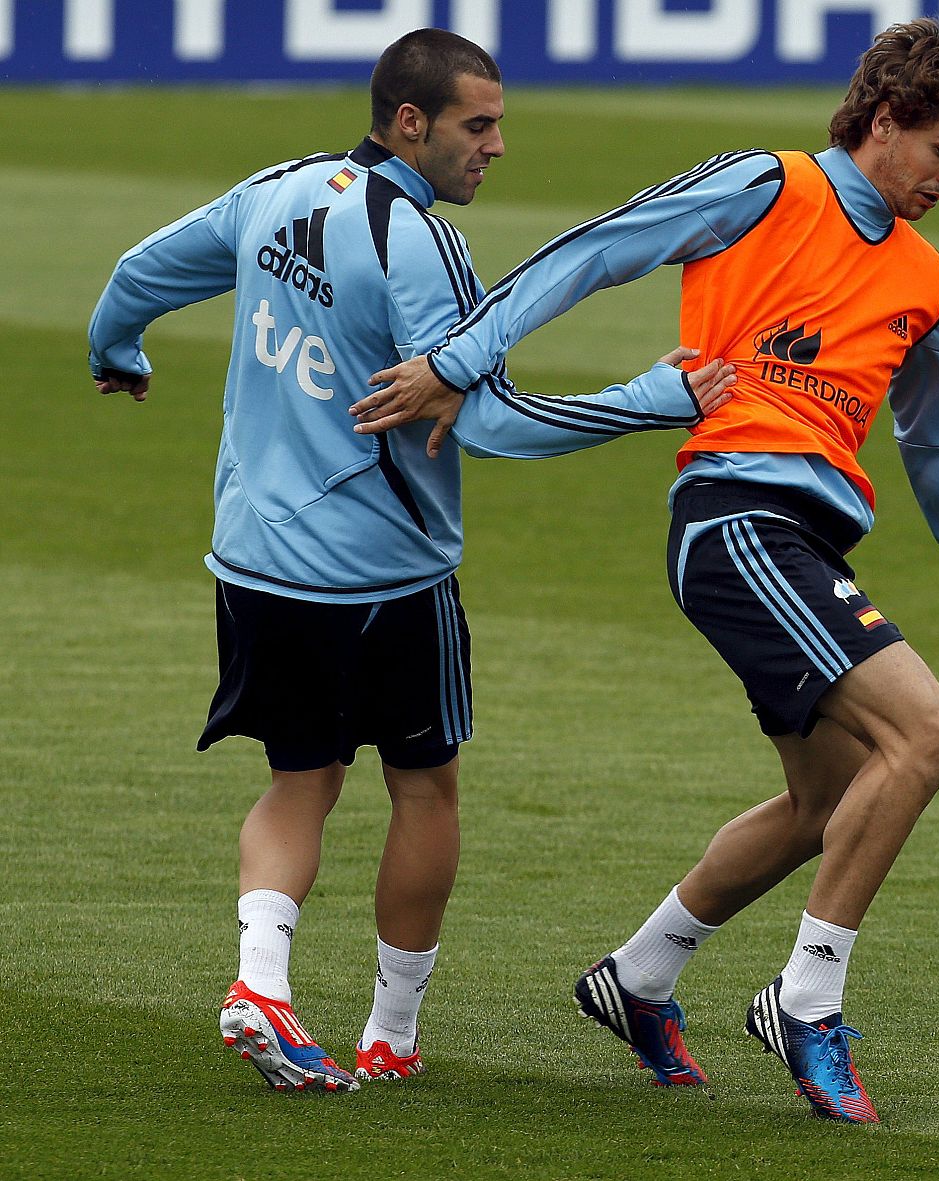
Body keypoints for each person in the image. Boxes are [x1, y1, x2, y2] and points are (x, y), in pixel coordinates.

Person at [354, 18, 939, 1122]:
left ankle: (637, 975)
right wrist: (460, 359)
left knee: (826, 799)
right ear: (882, 119)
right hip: (736, 514)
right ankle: (807, 1001)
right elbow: (599, 248)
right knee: (928, 733)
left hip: (803, 540)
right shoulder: (764, 185)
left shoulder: (924, 280)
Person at [87, 28, 735, 1095]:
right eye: (477, 126)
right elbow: (482, 422)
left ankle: (262, 984)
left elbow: (140, 272)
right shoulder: (415, 241)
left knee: (299, 779)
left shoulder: (279, 188)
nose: (496, 148)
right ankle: (391, 1029)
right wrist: (652, 399)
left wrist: (119, 350)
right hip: (382, 574)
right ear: (410, 123)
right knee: (424, 784)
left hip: (254, 560)